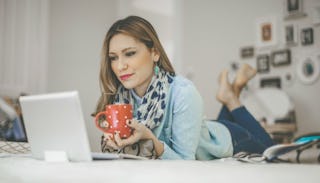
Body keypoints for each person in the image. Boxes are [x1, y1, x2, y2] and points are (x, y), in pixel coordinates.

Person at [94, 15, 274, 160]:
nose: (120, 66)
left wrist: (150, 139)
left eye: (130, 54)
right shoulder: (119, 99)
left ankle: (232, 97)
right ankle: (232, 91)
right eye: (113, 57)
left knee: (272, 151)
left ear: (154, 53)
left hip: (228, 140)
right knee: (204, 131)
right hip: (204, 134)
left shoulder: (183, 92)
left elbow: (185, 165)